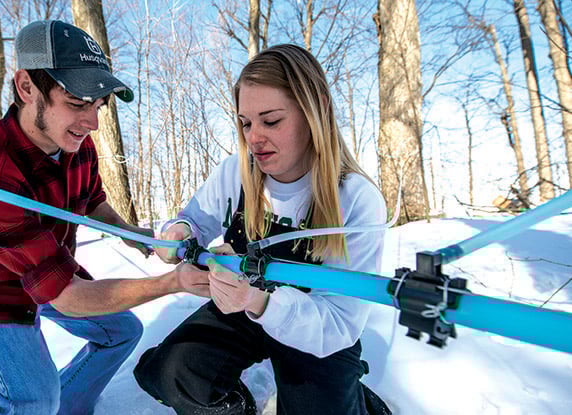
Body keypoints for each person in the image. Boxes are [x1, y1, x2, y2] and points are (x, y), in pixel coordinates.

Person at [0, 20, 209, 415]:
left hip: (49, 273)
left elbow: (92, 201)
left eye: (98, 105)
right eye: (78, 103)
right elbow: (70, 297)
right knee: (33, 400)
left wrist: (130, 232)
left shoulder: (76, 143)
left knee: (120, 332)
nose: (92, 121)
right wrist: (171, 283)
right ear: (27, 87)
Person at [134, 44, 391, 415]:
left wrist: (258, 300)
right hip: (242, 308)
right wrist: (177, 232)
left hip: (315, 327)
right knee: (174, 372)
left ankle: (355, 400)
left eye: (271, 121)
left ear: (314, 110)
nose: (254, 137)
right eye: (245, 123)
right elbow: (194, 220)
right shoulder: (237, 173)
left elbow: (339, 322)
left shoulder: (354, 198)